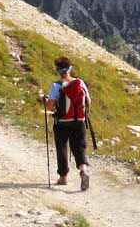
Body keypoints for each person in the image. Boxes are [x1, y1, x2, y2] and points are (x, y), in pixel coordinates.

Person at [43, 56, 91, 191]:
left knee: (62, 148)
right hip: (79, 121)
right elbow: (88, 101)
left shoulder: (56, 86)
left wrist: (44, 100)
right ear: (70, 69)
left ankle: (63, 178)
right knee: (79, 147)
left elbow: (50, 107)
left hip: (62, 122)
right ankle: (83, 170)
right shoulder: (80, 83)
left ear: (58, 71)